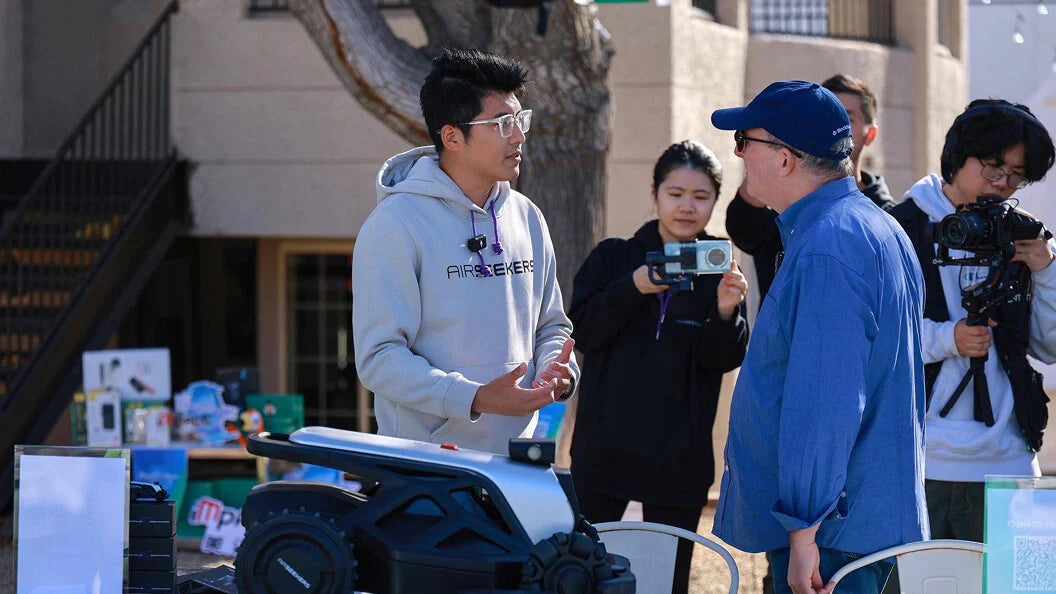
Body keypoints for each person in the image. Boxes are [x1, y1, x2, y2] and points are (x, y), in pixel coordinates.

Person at [710, 81, 929, 594]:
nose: (740, 153)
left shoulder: (829, 244)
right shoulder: (873, 227)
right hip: (851, 521)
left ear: (784, 158)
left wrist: (804, 528)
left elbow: (826, 402)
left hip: (829, 532)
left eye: (745, 140)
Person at [352, 48, 578, 454]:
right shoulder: (395, 224)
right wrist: (476, 397)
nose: (519, 135)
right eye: (502, 123)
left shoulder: (527, 217)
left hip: (518, 456)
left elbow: (551, 326)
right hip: (426, 464)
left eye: (520, 119)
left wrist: (556, 371)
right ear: (452, 136)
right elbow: (379, 358)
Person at [568, 141, 750, 594]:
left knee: (665, 585)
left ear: (714, 200)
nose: (687, 207)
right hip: (603, 455)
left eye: (701, 196)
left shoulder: (717, 268)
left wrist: (727, 311)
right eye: (675, 193)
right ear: (655, 194)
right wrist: (632, 287)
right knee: (587, 578)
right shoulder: (614, 257)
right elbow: (582, 335)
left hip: (678, 464)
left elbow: (721, 360)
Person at [889, 99, 1056, 543]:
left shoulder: (1022, 233)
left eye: (1017, 176)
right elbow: (871, 337)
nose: (1003, 185)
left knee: (1022, 586)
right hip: (918, 461)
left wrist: (1047, 270)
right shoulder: (898, 229)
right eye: (993, 168)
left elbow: (1048, 347)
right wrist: (948, 339)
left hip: (1012, 459)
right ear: (956, 158)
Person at [726, 74, 894, 307]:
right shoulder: (785, 207)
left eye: (845, 117)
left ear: (870, 133)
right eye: (825, 115)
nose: (739, 152)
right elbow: (742, 228)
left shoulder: (885, 219)